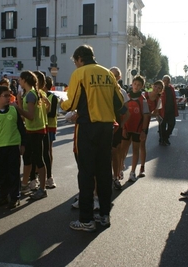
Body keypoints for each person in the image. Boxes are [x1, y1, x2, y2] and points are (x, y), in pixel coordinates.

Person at [61, 44, 124, 231]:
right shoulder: (108, 73)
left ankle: (86, 219)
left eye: (75, 61)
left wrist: (61, 102)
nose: (75, 65)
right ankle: (104, 215)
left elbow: (70, 103)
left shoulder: (80, 73)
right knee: (104, 173)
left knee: (86, 173)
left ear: (80, 58)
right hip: (106, 127)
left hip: (88, 127)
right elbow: (119, 102)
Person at [0, 86, 26, 208]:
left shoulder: (13, 111)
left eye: (9, 95)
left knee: (13, 173)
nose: (9, 98)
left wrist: (23, 144)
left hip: (13, 147)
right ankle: (2, 196)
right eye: (5, 95)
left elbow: (21, 128)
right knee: (1, 174)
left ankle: (14, 197)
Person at [16, 71, 49, 200]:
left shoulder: (30, 95)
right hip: (34, 130)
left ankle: (42, 188)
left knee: (38, 159)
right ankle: (25, 184)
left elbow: (29, 116)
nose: (19, 81)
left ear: (25, 80)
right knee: (28, 157)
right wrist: (19, 103)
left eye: (20, 79)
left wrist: (17, 107)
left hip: (35, 131)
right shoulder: (34, 93)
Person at [121, 75, 150, 183]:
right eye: (135, 84)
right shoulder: (126, 97)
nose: (136, 86)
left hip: (137, 129)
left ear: (142, 86)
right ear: (132, 84)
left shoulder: (143, 100)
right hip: (126, 128)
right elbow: (123, 114)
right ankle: (120, 169)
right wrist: (123, 127)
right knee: (123, 150)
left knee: (135, 150)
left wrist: (143, 131)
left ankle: (132, 172)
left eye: (139, 85)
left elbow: (146, 116)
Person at [109, 67, 130, 190]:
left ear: (119, 78)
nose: (112, 77)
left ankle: (116, 177)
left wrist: (121, 125)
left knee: (115, 153)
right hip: (104, 126)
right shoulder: (103, 90)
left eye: (114, 75)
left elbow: (127, 113)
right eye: (110, 75)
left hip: (116, 127)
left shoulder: (121, 92)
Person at [139, 80, 163, 178]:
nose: (156, 89)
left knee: (142, 144)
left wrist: (151, 114)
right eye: (156, 86)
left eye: (159, 88)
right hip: (136, 120)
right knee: (129, 143)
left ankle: (142, 167)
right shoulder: (144, 95)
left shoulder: (158, 100)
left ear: (161, 90)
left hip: (145, 122)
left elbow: (155, 112)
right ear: (152, 86)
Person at [43, 76, 58, 189]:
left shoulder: (52, 97)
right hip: (42, 125)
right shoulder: (38, 95)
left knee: (48, 149)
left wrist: (40, 114)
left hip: (50, 125)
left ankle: (49, 171)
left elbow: (52, 113)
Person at [159, 75, 178, 146]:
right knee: (162, 126)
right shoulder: (160, 89)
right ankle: (162, 139)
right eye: (164, 80)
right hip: (162, 111)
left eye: (167, 80)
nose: (166, 82)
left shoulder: (171, 89)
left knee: (172, 124)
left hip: (171, 111)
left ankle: (166, 137)